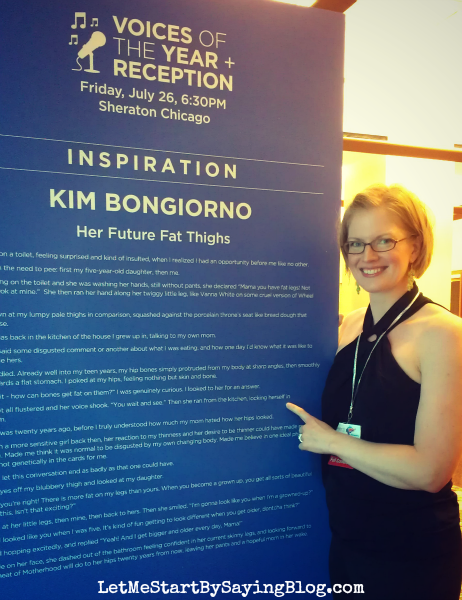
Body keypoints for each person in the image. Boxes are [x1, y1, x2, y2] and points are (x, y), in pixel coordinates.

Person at [287, 184, 462, 600]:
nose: (367, 256)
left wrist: (333, 442)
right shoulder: (349, 325)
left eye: (384, 240)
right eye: (356, 243)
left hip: (411, 551)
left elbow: (431, 472)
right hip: (347, 538)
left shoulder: (444, 334)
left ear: (415, 246)